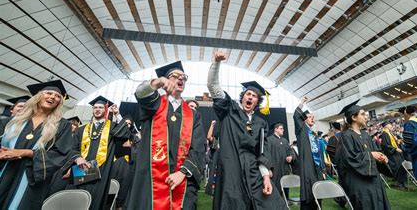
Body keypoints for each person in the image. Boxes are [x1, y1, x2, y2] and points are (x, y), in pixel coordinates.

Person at [207, 51, 286, 209]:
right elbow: (213, 87)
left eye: (254, 96)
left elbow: (262, 152)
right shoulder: (229, 110)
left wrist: (265, 177)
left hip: (252, 172)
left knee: (273, 204)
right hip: (231, 171)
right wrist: (216, 63)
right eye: (248, 94)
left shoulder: (261, 123)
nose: (250, 97)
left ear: (257, 102)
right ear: (242, 97)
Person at [128, 61, 206, 209]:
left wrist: (182, 172)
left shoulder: (193, 115)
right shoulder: (154, 104)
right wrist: (158, 82)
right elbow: (141, 93)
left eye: (183, 77)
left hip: (182, 180)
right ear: (166, 79)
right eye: (175, 76)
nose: (180, 79)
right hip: (151, 180)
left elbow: (198, 148)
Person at [0, 80, 72, 209]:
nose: (52, 97)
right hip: (5, 170)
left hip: (31, 179)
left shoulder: (62, 125)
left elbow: (61, 154)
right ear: (38, 96)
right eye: (49, 93)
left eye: (57, 96)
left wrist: (26, 153)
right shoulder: (14, 120)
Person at [66, 96, 130, 210]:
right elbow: (73, 149)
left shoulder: (112, 128)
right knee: (75, 200)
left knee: (95, 201)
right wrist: (78, 158)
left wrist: (117, 114)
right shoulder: (81, 129)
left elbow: (125, 134)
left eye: (100, 107)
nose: (97, 109)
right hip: (81, 169)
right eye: (95, 107)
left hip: (101, 171)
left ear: (105, 110)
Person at [339, 101, 390, 210]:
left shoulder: (365, 134)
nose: (366, 117)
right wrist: (371, 155)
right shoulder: (346, 136)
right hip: (360, 182)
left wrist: (382, 157)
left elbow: (376, 151)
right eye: (362, 114)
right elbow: (349, 158)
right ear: (354, 117)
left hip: (374, 179)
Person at [292, 96, 325, 209]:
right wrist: (302, 103)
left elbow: (319, 154)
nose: (312, 119)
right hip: (307, 166)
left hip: (317, 168)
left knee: (319, 192)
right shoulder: (301, 130)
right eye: (310, 117)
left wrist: (322, 169)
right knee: (309, 193)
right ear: (304, 119)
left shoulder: (314, 134)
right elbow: (296, 116)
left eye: (313, 117)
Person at [267, 123, 294, 197]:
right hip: (275, 170)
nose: (283, 130)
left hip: (285, 169)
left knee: (286, 188)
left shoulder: (285, 140)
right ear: (276, 129)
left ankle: (286, 203)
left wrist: (291, 157)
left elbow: (290, 151)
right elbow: (267, 155)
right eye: (281, 128)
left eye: (283, 128)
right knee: (276, 189)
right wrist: (268, 169)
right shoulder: (269, 140)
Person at [380, 121, 407, 190]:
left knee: (402, 167)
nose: (392, 126)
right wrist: (395, 149)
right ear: (386, 126)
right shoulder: (384, 134)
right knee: (398, 168)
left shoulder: (390, 133)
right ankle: (399, 184)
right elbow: (385, 145)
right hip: (392, 154)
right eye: (390, 125)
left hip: (396, 153)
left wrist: (398, 141)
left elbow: (393, 143)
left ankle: (403, 183)